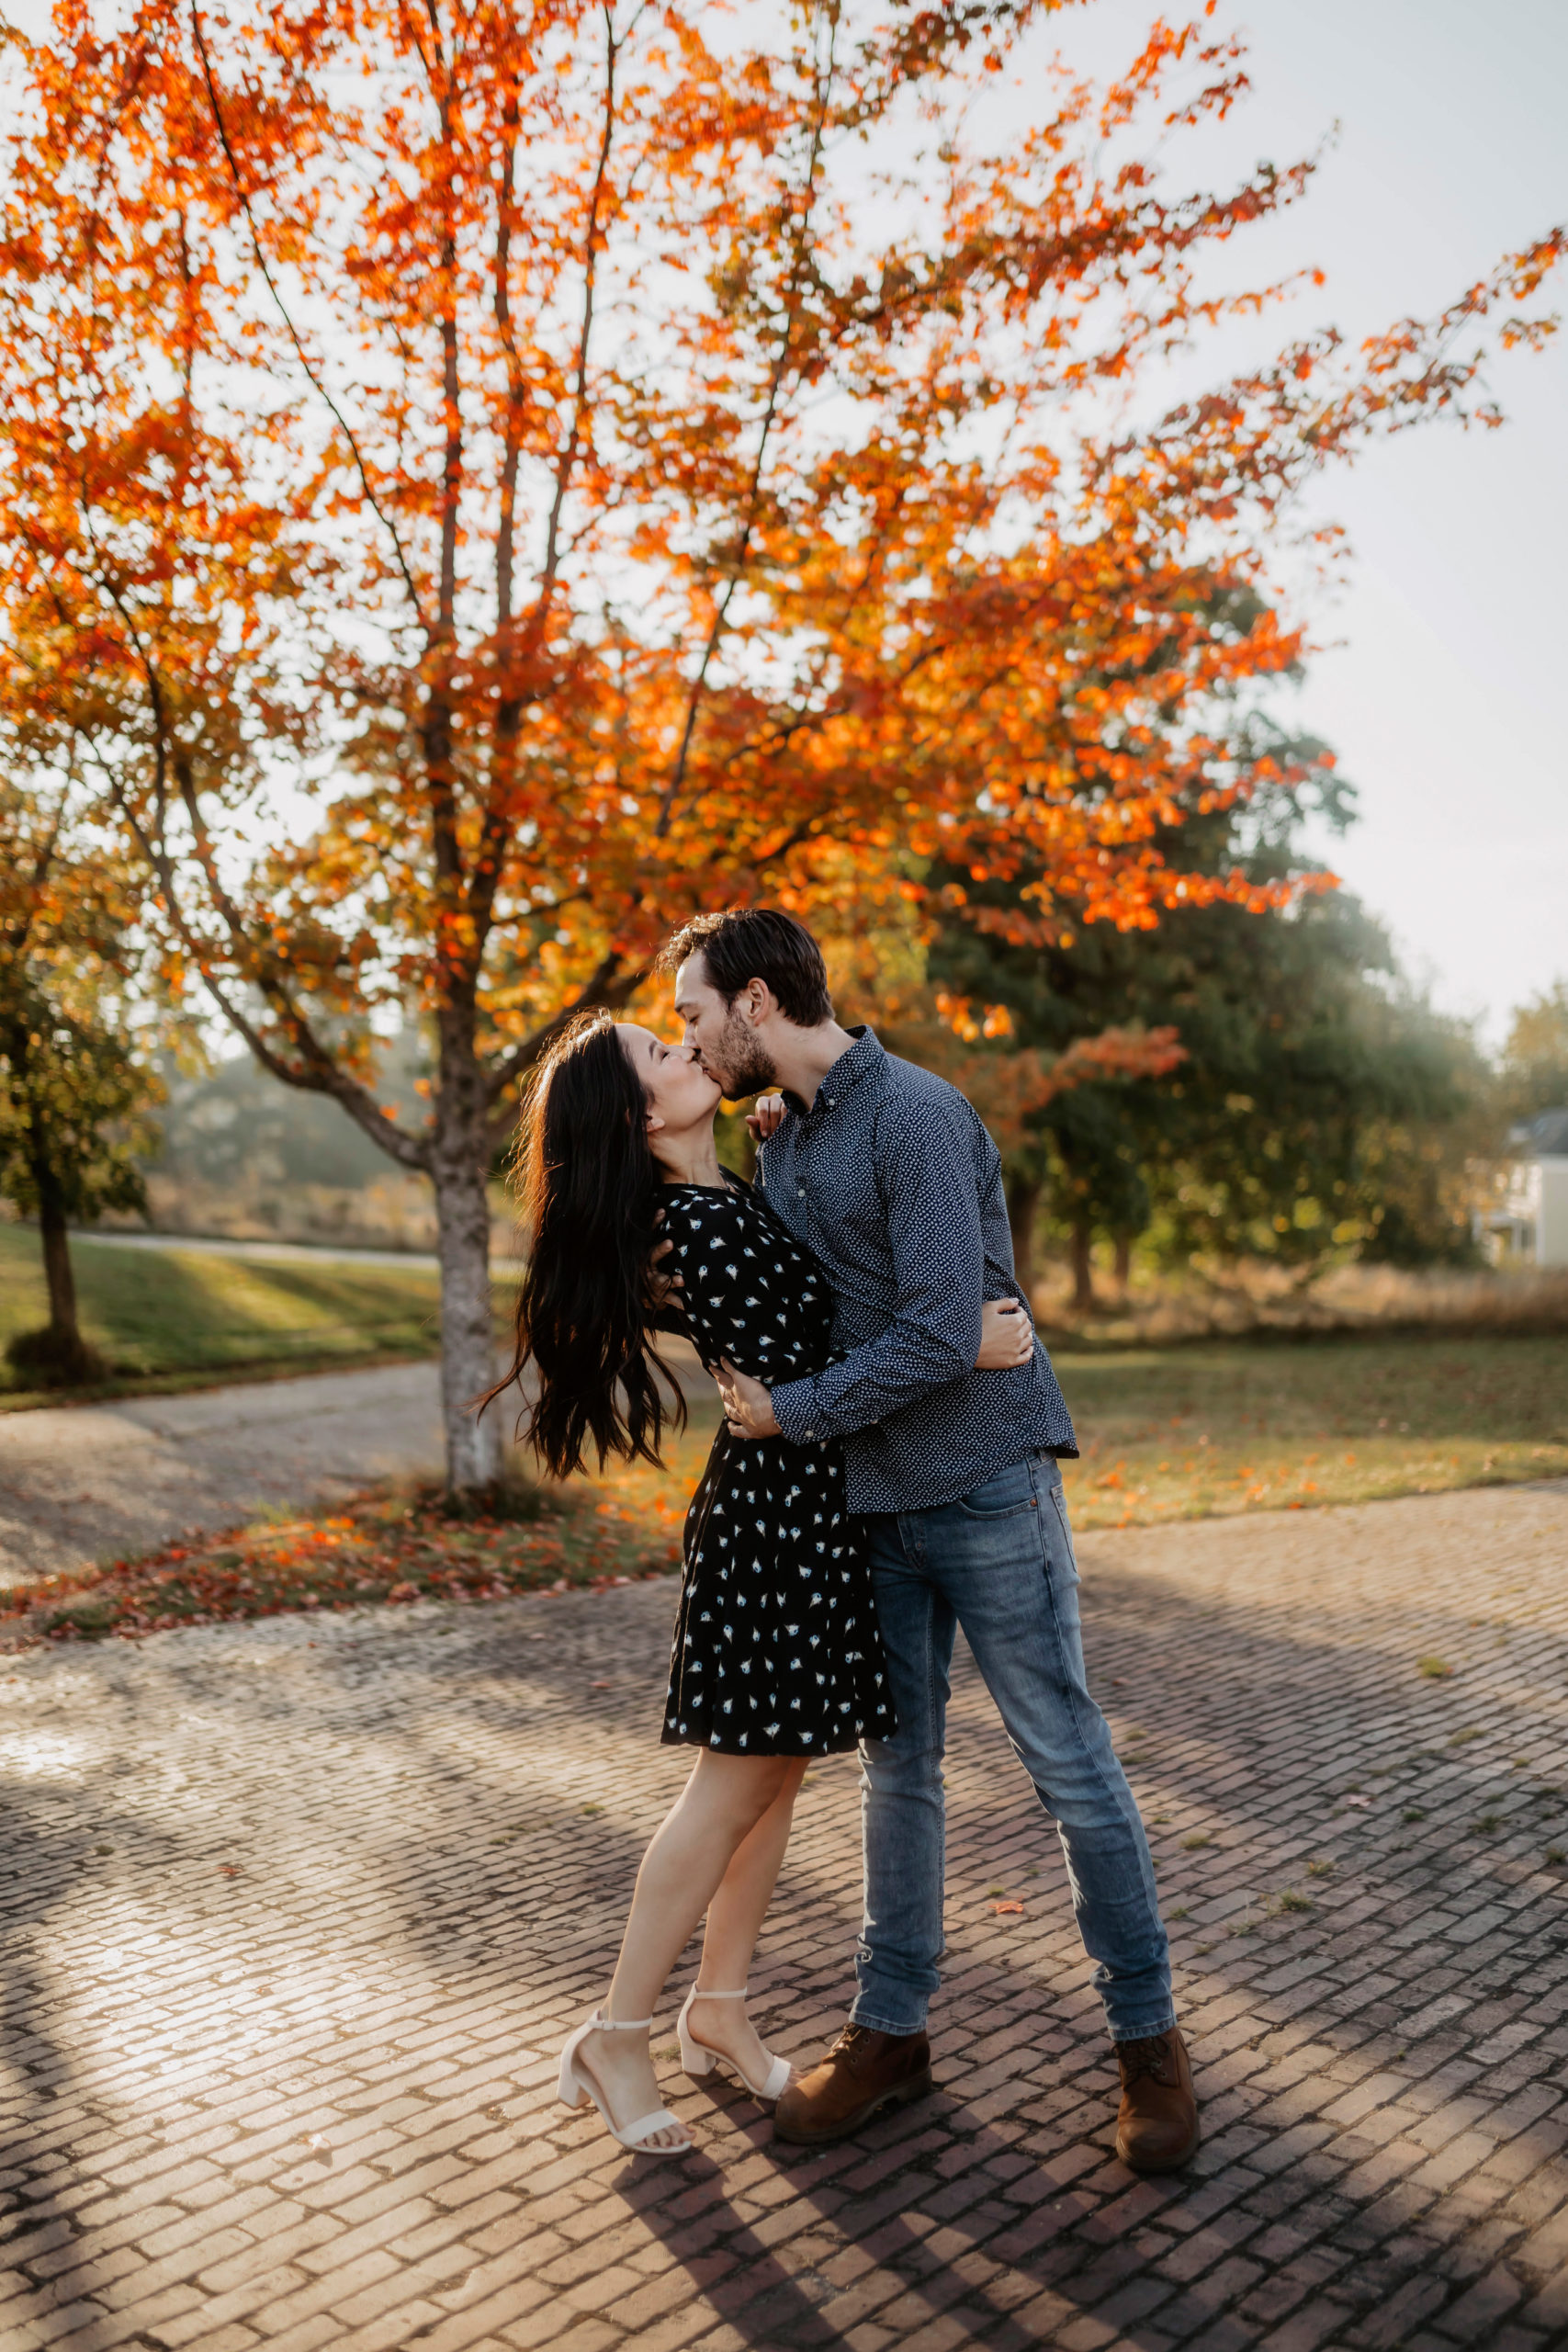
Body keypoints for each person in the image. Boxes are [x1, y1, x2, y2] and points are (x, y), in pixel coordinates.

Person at [662, 906, 1200, 2175]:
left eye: (693, 1013)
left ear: (754, 1002)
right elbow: (821, 1305)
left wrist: (793, 1412)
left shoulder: (915, 1113)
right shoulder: (784, 1136)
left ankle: (1149, 2043)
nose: (686, 1036)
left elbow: (937, 1328)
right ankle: (891, 2031)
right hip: (870, 1503)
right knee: (896, 1772)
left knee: (1066, 1762)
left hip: (984, 1483)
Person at [484, 1011, 1034, 2157]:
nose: (689, 1050)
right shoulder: (691, 1228)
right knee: (726, 1791)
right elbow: (823, 1356)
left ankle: (718, 2007)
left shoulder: (720, 1195)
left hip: (803, 1514)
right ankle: (615, 2033)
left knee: (774, 1780)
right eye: (663, 1052)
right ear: (641, 1115)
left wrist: (781, 1135)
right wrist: (960, 1343)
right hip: (769, 1530)